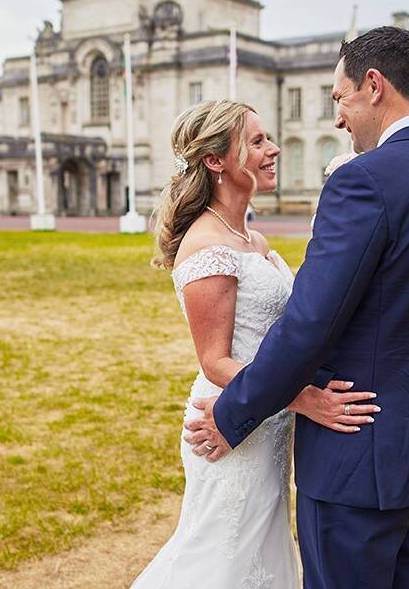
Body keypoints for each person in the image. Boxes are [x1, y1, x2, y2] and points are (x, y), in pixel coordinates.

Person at [185, 27, 409, 588]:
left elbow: (309, 324)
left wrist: (234, 415)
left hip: (358, 454)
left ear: (373, 86)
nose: (338, 117)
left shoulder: (364, 181)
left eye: (340, 98)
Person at [132, 100, 378, 589]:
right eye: (258, 141)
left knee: (262, 552)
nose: (274, 149)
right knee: (222, 557)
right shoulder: (207, 247)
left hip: (269, 424)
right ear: (215, 161)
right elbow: (215, 361)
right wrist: (305, 400)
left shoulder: (255, 241)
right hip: (230, 421)